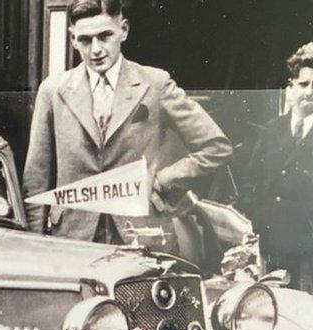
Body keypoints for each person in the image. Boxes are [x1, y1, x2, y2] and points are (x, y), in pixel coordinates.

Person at [22, 0, 232, 255]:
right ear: (73, 39)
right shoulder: (53, 91)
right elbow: (36, 180)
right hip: (72, 237)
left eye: (105, 36)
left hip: (142, 234)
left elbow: (216, 147)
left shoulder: (154, 84)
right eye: (85, 40)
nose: (96, 49)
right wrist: (33, 246)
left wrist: (165, 180)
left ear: (123, 30)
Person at [241, 42, 313, 302]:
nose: (309, 92)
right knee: (277, 316)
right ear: (291, 84)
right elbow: (250, 183)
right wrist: (258, 219)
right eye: (303, 85)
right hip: (275, 247)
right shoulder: (272, 130)